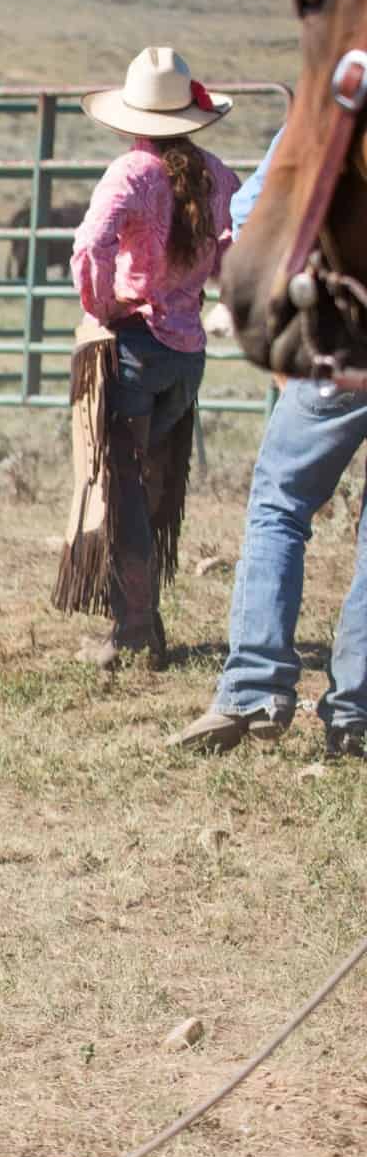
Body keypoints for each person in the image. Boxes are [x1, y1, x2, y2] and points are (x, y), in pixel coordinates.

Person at [170, 127, 367, 759]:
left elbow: (252, 205)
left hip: (345, 339)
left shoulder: (338, 105)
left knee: (281, 502)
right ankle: (356, 712)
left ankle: (255, 686)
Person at [60, 47, 239, 670]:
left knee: (123, 487)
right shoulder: (218, 175)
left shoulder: (131, 173)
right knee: (155, 482)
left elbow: (91, 246)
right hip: (187, 357)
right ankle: (142, 618)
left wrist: (104, 305)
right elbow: (232, 251)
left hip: (135, 348)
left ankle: (133, 627)